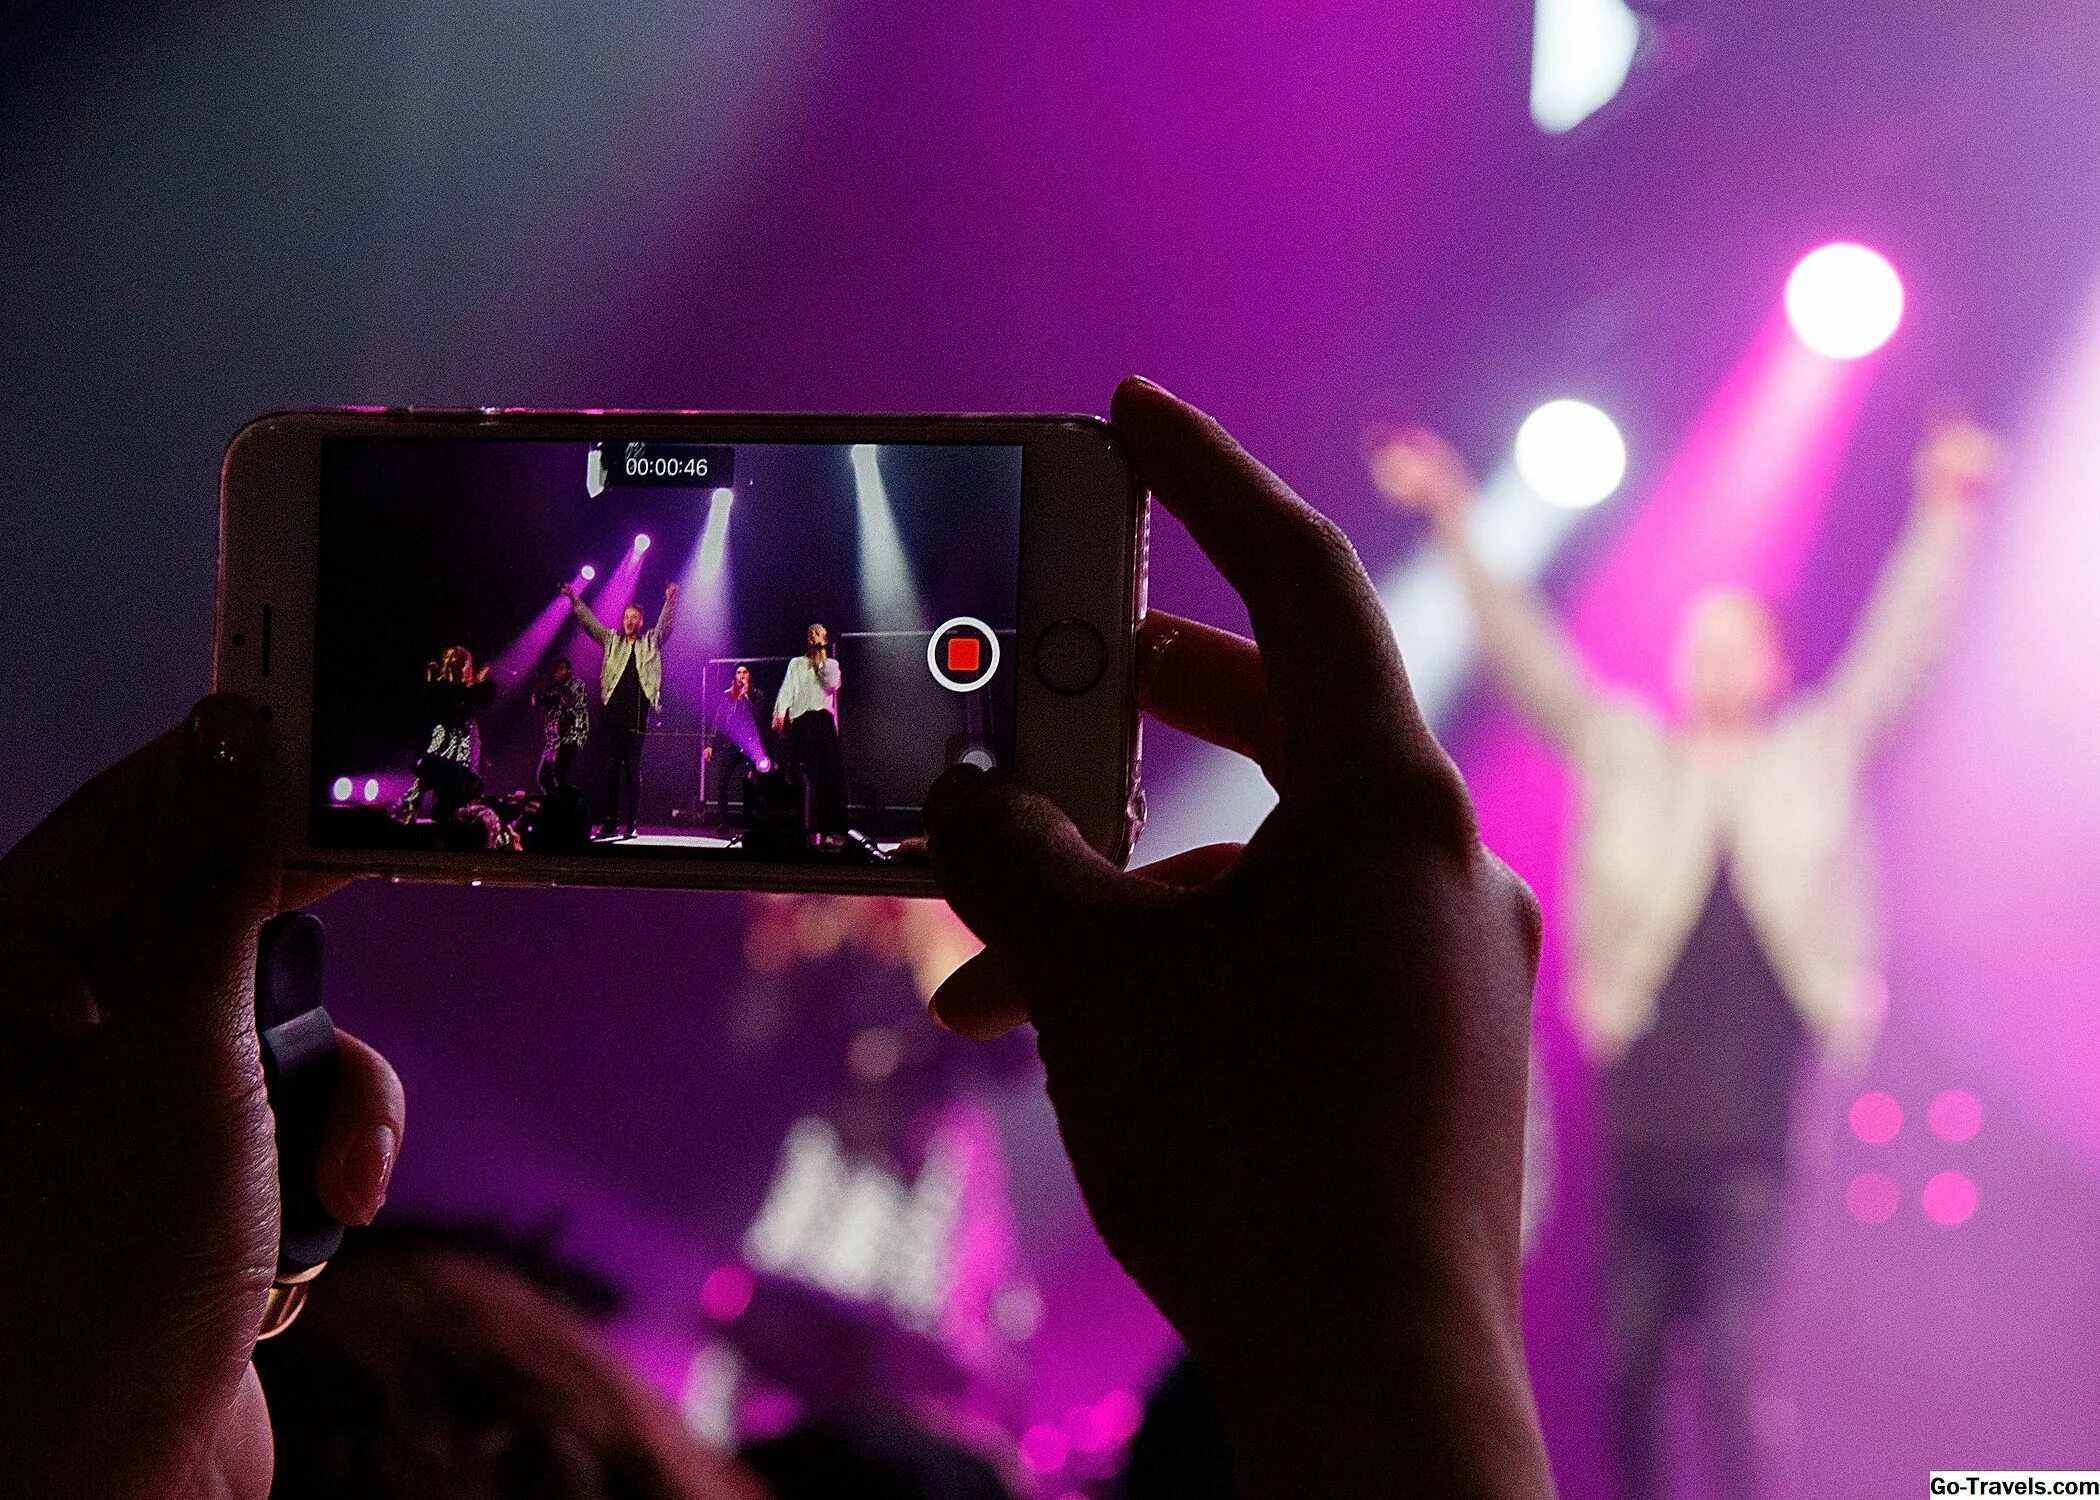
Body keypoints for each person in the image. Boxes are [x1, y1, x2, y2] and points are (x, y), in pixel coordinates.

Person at [1, 378, 1552, 1500]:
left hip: (913, 1181)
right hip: (830, 1170)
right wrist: (1397, 1347)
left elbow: (996, 1044)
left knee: (907, 1369)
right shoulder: (805, 895)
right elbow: (760, 1049)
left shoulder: (942, 885)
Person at [1366, 413, 1995, 1498]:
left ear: (1774, 662)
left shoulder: (1812, 755)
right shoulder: (1627, 753)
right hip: (1646, 1115)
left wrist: (1945, 516)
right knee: (1627, 1364)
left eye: (1736, 642)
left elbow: (1898, 655)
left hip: (1754, 1121)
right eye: (1698, 641)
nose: (1713, 660)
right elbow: (1527, 658)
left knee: (1738, 1363)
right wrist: (1456, 518)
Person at [562, 581, 679, 841]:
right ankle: (610, 822)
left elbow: (665, 626)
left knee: (631, 770)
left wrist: (670, 601)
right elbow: (590, 624)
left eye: (634, 617)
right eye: (626, 617)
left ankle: (632, 822)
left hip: (636, 716)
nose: (629, 621)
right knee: (612, 769)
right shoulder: (612, 640)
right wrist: (575, 601)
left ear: (640, 621)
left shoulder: (650, 642)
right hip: (613, 714)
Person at [391, 645, 495, 824]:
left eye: (463, 662)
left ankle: (448, 814)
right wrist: (431, 681)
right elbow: (432, 703)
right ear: (449, 664)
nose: (460, 665)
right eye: (456, 661)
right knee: (429, 774)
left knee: (455, 784)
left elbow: (482, 700)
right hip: (444, 737)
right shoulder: (443, 686)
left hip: (463, 740)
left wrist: (483, 683)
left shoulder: (468, 689)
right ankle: (411, 807)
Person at [772, 624, 849, 846]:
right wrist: (779, 713)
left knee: (829, 776)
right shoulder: (796, 663)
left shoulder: (831, 664)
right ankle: (805, 827)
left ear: (824, 637)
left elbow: (831, 684)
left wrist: (821, 658)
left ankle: (829, 829)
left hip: (822, 721)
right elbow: (787, 689)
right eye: (809, 633)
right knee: (805, 774)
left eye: (816, 633)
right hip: (802, 722)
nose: (812, 636)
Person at [704, 664, 764, 828]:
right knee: (722, 781)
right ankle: (723, 821)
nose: (742, 675)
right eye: (738, 672)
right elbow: (717, 721)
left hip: (750, 745)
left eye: (745, 672)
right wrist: (709, 744)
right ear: (734, 677)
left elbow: (759, 720)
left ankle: (749, 821)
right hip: (731, 744)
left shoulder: (757, 695)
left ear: (749, 676)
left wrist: (746, 698)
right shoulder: (726, 696)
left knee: (749, 783)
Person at [533, 656, 590, 797]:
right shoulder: (554, 689)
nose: (557, 673)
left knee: (560, 774)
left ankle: (566, 807)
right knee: (543, 776)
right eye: (556, 670)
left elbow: (569, 700)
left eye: (561, 669)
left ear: (569, 671)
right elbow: (536, 701)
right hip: (554, 740)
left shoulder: (577, 684)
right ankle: (555, 803)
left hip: (571, 737)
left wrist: (553, 694)